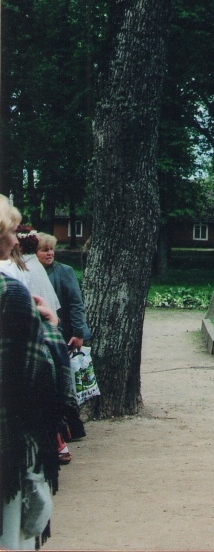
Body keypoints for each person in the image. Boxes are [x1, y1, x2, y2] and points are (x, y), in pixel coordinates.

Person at [0, 195, 63, 550]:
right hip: (7, 446)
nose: (15, 241)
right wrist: (51, 326)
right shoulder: (10, 293)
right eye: (10, 231)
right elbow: (41, 374)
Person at [36, 233, 91, 350]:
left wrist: (78, 333)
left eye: (51, 249)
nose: (50, 253)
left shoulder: (65, 271)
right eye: (45, 250)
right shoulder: (31, 273)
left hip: (65, 332)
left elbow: (76, 304)